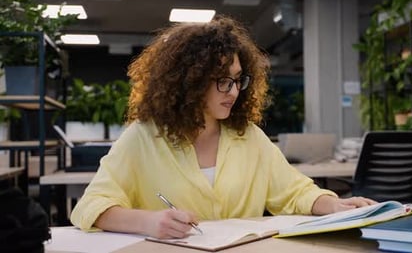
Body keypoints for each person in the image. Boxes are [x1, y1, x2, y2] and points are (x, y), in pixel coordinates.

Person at [70, 15, 376, 239]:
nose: (233, 91)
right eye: (222, 81)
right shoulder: (144, 137)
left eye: (238, 80)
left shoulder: (249, 137)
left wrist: (333, 205)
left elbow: (294, 193)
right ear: (191, 81)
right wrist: (148, 222)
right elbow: (90, 206)